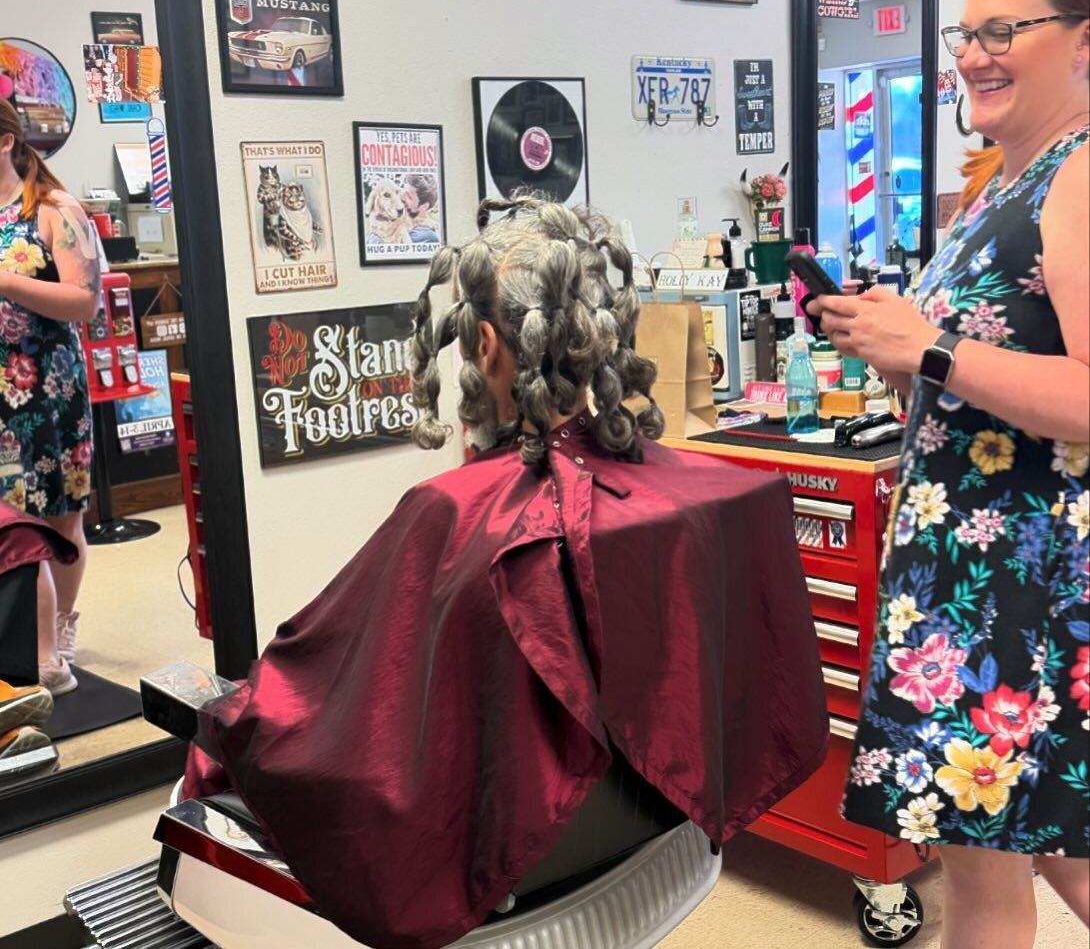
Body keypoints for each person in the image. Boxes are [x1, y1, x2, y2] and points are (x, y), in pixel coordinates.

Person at [181, 194, 829, 949]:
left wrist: (233, 717)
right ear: (602, 332)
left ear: (485, 344)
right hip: (655, 842)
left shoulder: (451, 515)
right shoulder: (710, 492)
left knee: (248, 727)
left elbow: (354, 705)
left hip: (509, 866)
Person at [811, 0, 1089, 949]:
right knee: (1030, 841)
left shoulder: (1077, 176)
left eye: (1003, 30)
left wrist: (929, 351)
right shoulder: (1000, 185)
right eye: (965, 33)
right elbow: (979, 370)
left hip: (1012, 575)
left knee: (986, 868)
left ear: (1083, 43)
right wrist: (898, 350)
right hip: (960, 564)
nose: (972, 53)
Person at [0, 99, 100, 697]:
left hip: (48, 389)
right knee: (14, 524)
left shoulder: (53, 211)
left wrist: (7, 282)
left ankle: (58, 630)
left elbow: (84, 301)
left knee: (59, 521)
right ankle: (31, 647)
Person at [402, 172, 440, 244]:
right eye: (403, 191)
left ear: (424, 206)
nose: (402, 197)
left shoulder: (426, 236)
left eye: (409, 197)